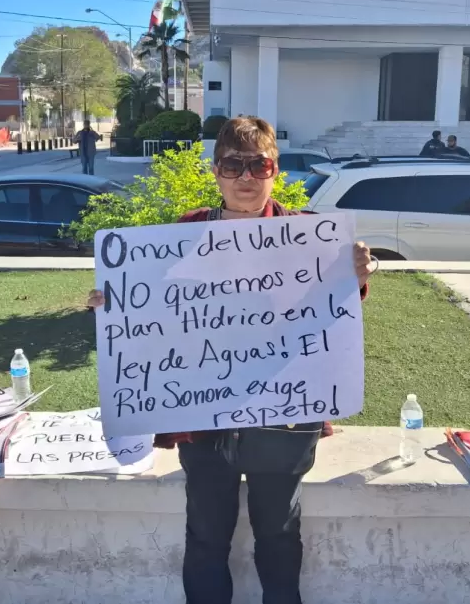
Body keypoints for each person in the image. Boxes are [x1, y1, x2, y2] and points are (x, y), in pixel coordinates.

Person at [87, 116, 376, 604]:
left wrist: (359, 274)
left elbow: (334, 310)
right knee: (204, 538)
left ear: (275, 171)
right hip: (202, 418)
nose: (245, 177)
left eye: (258, 165)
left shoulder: (310, 235)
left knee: (280, 536)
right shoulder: (182, 231)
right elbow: (152, 307)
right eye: (232, 165)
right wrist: (112, 304)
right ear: (216, 172)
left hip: (284, 418)